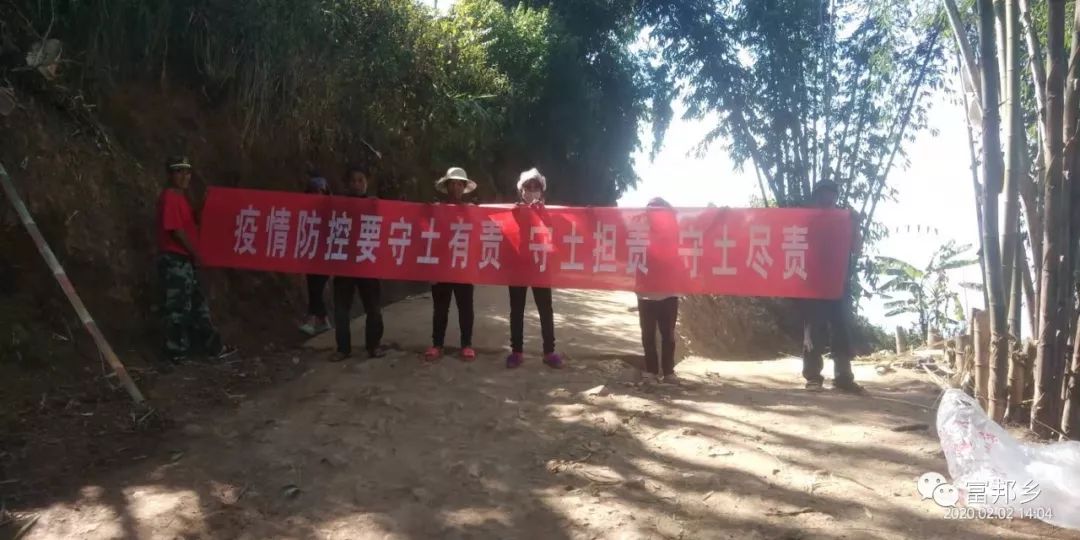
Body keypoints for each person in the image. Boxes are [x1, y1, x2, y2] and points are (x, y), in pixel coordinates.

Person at [156, 155, 236, 364]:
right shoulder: (170, 197)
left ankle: (213, 347)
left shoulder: (181, 198)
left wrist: (206, 204)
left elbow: (192, 222)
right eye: (179, 171)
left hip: (186, 260)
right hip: (175, 260)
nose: (184, 176)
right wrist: (196, 253)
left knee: (199, 306)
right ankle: (176, 352)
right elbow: (177, 231)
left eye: (187, 171)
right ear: (170, 174)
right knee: (178, 308)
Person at [801, 180, 864, 394]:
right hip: (813, 284)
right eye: (822, 194)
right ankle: (812, 377)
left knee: (842, 330)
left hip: (839, 284)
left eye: (830, 193)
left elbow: (857, 249)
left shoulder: (845, 220)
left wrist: (855, 226)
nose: (826, 197)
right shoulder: (806, 221)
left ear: (836, 197)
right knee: (813, 330)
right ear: (816, 197)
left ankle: (843, 378)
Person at [506, 168, 564, 369]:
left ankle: (549, 352)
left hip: (541, 266)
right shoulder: (513, 212)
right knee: (516, 310)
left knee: (545, 309)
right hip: (518, 266)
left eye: (535, 187)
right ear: (521, 191)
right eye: (528, 187)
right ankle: (516, 352)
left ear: (542, 190)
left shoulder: (549, 213)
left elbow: (561, 230)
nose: (531, 190)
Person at [330, 166, 385, 362]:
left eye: (360, 180)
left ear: (366, 183)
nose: (357, 184)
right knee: (341, 309)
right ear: (348, 184)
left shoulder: (375, 204)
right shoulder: (339, 205)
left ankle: (374, 345)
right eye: (353, 181)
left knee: (373, 308)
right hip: (344, 263)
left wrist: (378, 207)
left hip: (367, 262)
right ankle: (343, 348)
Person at [425, 167, 477, 361]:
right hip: (442, 266)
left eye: (459, 184)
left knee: (466, 308)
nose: (455, 187)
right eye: (452, 184)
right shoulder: (437, 209)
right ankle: (437, 344)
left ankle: (466, 345)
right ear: (446, 187)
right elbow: (428, 235)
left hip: (463, 266)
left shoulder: (472, 210)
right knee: (440, 308)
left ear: (464, 187)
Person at [636, 197, 680, 384]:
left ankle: (668, 372)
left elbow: (703, 230)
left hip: (669, 292)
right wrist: (592, 215)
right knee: (647, 335)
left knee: (667, 334)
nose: (653, 216)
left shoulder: (675, 233)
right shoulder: (639, 234)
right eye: (650, 212)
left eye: (658, 211)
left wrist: (719, 215)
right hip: (645, 293)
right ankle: (651, 371)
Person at [299, 173, 333, 336]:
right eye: (313, 191)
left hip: (325, 257)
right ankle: (324, 321)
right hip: (310, 255)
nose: (316, 194)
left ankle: (312, 321)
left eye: (319, 191)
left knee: (316, 288)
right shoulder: (305, 211)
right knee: (313, 287)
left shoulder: (331, 211)